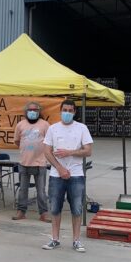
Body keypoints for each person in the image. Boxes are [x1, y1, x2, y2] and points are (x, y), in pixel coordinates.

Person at [42, 99, 93, 252]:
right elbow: (47, 151)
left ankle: (76, 240)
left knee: (76, 209)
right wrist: (59, 168)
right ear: (60, 110)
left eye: (70, 111)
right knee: (55, 208)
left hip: (76, 175)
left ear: (74, 112)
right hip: (56, 175)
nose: (67, 113)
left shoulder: (82, 128)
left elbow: (88, 151)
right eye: (65, 110)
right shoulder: (53, 128)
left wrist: (69, 152)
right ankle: (55, 239)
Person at [12, 101, 51, 222]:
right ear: (26, 112)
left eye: (35, 110)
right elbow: (17, 141)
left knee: (41, 190)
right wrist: (28, 148)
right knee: (23, 189)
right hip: (24, 162)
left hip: (40, 163)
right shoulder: (20, 124)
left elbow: (49, 142)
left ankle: (43, 213)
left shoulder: (45, 124)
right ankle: (21, 212)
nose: (33, 112)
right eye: (30, 110)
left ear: (39, 112)